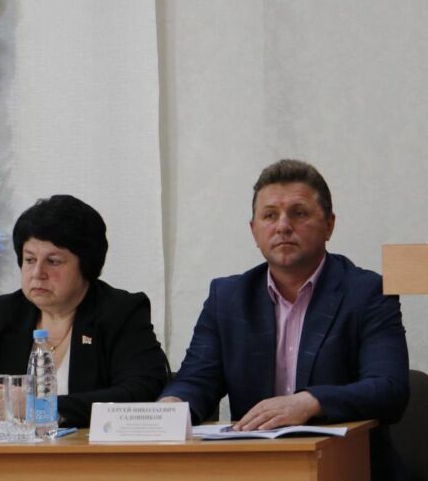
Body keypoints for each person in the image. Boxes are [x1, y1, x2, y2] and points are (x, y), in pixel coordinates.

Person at [160, 159, 409, 479]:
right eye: (269, 215)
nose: (283, 226)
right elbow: (197, 380)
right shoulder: (228, 297)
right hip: (257, 470)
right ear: (254, 230)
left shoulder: (366, 292)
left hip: (346, 468)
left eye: (299, 213)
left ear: (329, 225)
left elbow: (389, 389)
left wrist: (310, 402)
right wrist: (172, 405)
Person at [0, 195, 170, 427]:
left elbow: (142, 391)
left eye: (53, 261)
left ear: (87, 267)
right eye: (30, 260)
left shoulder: (119, 312)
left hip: (89, 454)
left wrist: (41, 408)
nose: (37, 273)